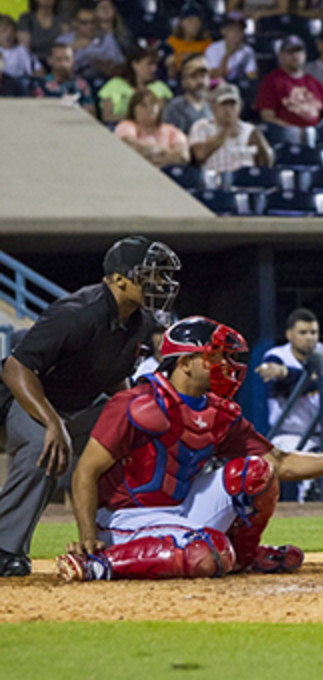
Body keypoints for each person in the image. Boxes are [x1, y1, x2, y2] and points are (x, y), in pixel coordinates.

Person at [54, 317, 323, 582]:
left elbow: (280, 464)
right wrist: (86, 537)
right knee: (209, 552)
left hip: (181, 509)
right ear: (185, 363)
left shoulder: (220, 412)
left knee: (257, 472)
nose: (226, 365)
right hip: (126, 518)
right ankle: (100, 565)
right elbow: (86, 471)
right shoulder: (136, 403)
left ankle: (244, 557)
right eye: (216, 356)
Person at [0, 236, 180, 577]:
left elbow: (116, 382)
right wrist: (54, 424)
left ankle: (128, 534)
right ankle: (4, 547)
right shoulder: (77, 314)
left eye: (161, 275)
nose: (160, 283)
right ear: (119, 279)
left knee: (144, 433)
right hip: (22, 400)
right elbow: (16, 368)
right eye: (151, 274)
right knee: (44, 446)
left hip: (76, 407)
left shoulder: (139, 321)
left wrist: (130, 419)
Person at [255, 309, 323, 476]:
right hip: (288, 436)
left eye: (313, 332)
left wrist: (286, 373)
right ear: (289, 334)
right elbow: (287, 389)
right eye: (303, 332)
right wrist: (312, 380)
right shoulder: (276, 355)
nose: (309, 337)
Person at [253, 36, 323, 128]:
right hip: (287, 138)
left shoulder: (313, 82)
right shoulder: (272, 80)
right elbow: (267, 116)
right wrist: (293, 131)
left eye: (298, 51)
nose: (295, 56)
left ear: (304, 55)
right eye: (290, 52)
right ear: (281, 56)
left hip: (315, 137)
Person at [189, 83, 274, 172]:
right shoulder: (202, 126)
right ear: (213, 106)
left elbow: (268, 163)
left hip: (246, 180)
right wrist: (225, 132)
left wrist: (258, 138)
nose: (229, 109)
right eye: (224, 104)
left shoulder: (249, 129)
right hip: (216, 180)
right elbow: (199, 155)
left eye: (232, 104)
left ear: (240, 106)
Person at [114, 90, 190, 168]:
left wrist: (153, 155)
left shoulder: (171, 130)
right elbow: (130, 147)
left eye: (153, 103)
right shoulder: (127, 125)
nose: (149, 108)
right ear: (133, 110)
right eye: (143, 105)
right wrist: (167, 152)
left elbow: (183, 155)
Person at [98, 47, 173, 124]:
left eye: (155, 64)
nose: (154, 68)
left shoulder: (160, 87)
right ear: (135, 64)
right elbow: (107, 117)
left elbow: (161, 116)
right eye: (149, 64)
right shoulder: (114, 85)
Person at [31, 42, 95, 116]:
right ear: (50, 60)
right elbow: (36, 112)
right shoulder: (40, 84)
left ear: (73, 60)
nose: (63, 64)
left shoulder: (81, 85)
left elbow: (90, 114)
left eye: (67, 59)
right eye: (59, 59)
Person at [17, 0, 67, 66]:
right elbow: (24, 50)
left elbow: (67, 45)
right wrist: (36, 67)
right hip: (34, 64)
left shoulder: (62, 19)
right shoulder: (26, 19)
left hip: (58, 64)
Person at [162, 54, 213, 135]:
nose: (200, 81)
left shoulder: (215, 105)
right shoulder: (175, 107)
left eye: (203, 76)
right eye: (194, 76)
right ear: (183, 81)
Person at [165, 5, 213, 81]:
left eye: (198, 21)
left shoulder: (207, 43)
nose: (195, 25)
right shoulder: (172, 41)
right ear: (182, 23)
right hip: (178, 78)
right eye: (190, 21)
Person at [204, 18, 258, 83]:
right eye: (233, 30)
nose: (237, 34)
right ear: (223, 31)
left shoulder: (248, 51)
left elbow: (252, 76)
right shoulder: (213, 49)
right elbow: (215, 76)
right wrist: (227, 55)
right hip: (218, 88)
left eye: (240, 30)